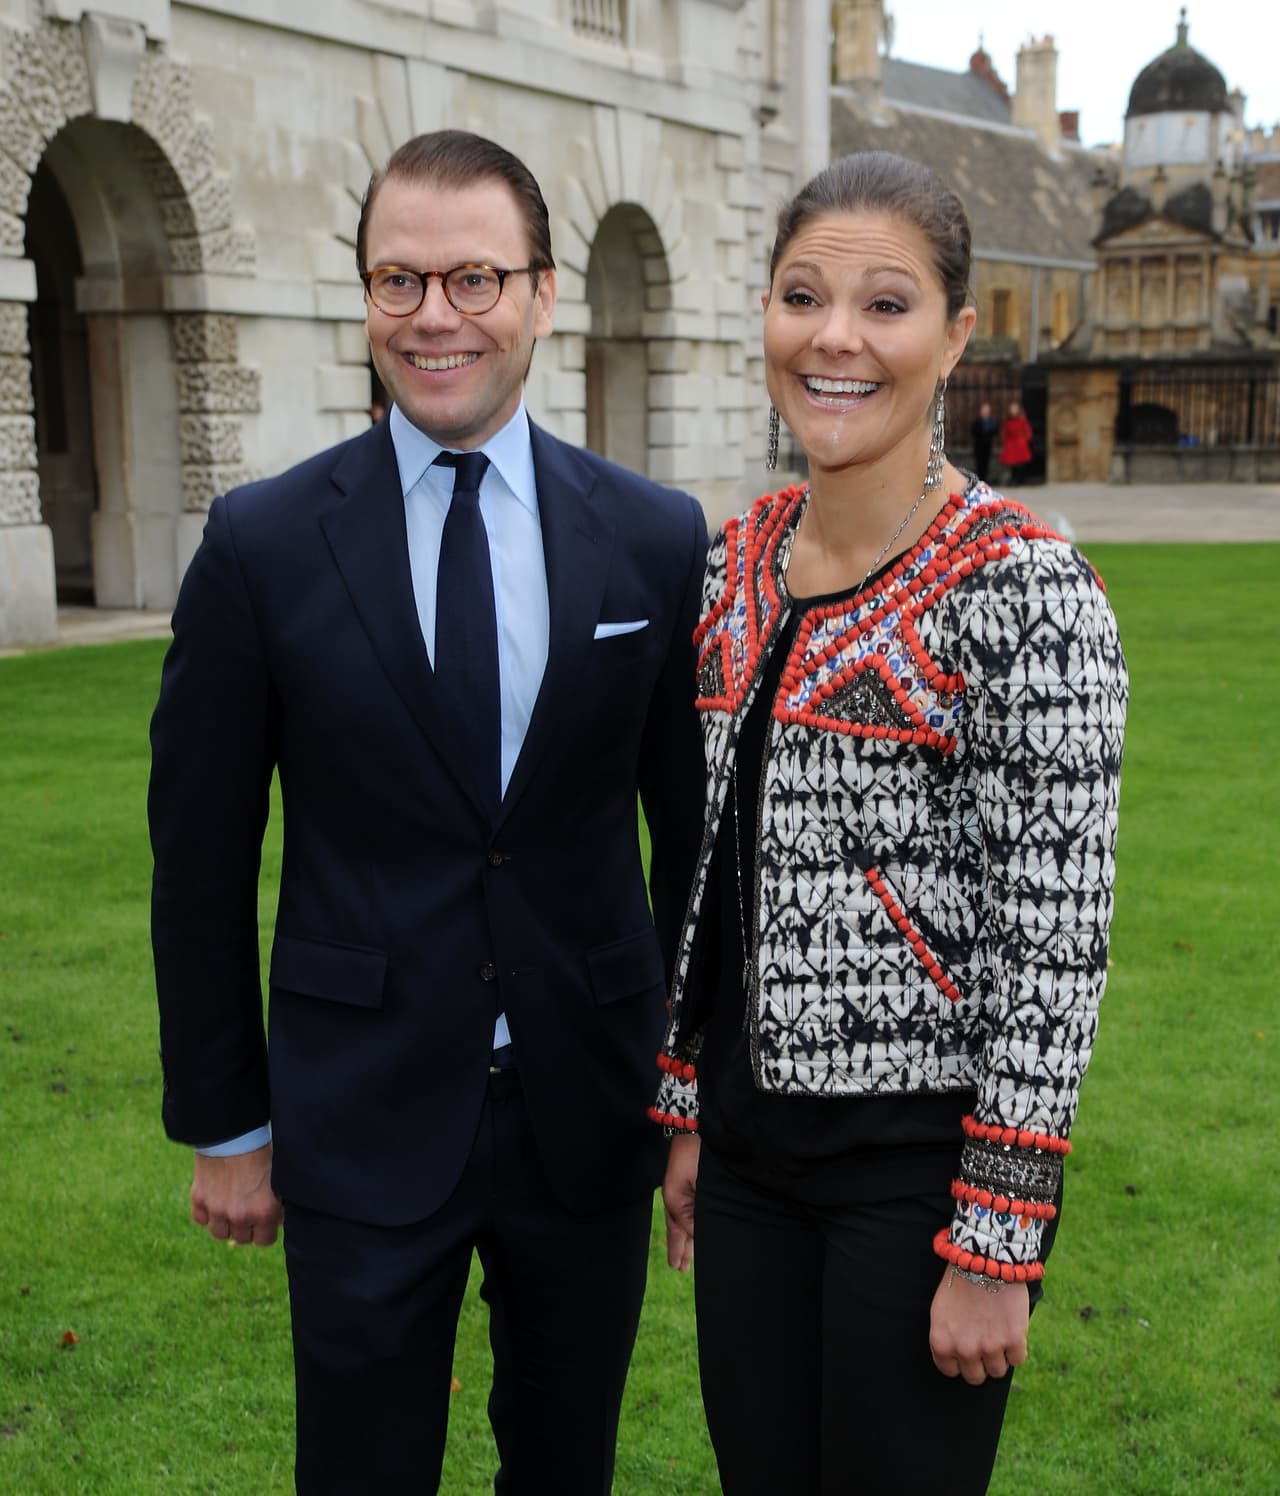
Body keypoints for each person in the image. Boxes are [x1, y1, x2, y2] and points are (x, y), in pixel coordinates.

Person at [149, 129, 708, 1494]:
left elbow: (696, 845)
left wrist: (693, 1095)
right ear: (365, 297)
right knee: (359, 1471)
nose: (436, 317)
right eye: (400, 281)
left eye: (474, 279)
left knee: (564, 1466)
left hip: (589, 1098)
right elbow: (202, 857)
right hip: (356, 1107)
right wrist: (227, 1124)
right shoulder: (262, 545)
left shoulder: (655, 537)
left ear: (541, 293)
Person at [652, 151, 1127, 1495]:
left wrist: (997, 1243)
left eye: (886, 303)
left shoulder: (1024, 592)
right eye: (804, 296)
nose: (836, 339)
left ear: (959, 335)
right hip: (747, 1162)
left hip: (914, 1186)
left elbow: (1055, 945)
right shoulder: (732, 564)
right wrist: (688, 1100)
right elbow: (714, 870)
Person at [998, 398, 1033, 484]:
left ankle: (1021, 479)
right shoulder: (1008, 421)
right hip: (1011, 444)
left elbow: (1027, 431)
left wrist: (1025, 439)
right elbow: (1004, 432)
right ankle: (1014, 479)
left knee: (1021, 464)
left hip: (1020, 444)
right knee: (1012, 463)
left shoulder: (1022, 420)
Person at [969, 398, 997, 481]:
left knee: (986, 463)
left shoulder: (991, 422)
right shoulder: (977, 422)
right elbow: (974, 431)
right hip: (979, 446)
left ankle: (985, 478)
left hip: (987, 445)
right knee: (979, 463)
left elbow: (995, 430)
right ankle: (980, 478)